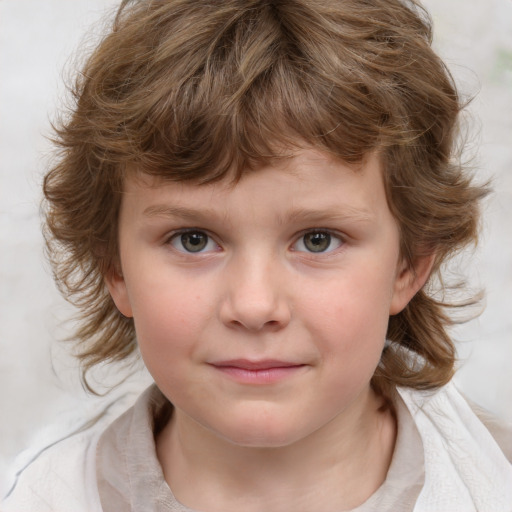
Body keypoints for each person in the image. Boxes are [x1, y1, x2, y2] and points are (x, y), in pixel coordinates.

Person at [2, 0, 511, 510]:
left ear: (409, 265)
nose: (253, 305)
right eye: (193, 239)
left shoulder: (495, 482)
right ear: (115, 267)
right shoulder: (43, 498)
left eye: (318, 240)